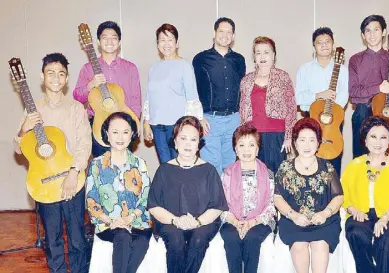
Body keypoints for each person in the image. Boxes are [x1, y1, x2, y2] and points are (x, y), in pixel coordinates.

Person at [13, 53, 92, 273]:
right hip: (45, 185)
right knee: (53, 238)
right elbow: (18, 148)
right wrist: (24, 128)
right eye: (50, 73)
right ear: (42, 77)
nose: (56, 78)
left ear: (66, 79)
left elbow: (84, 144)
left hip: (73, 180)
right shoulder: (32, 109)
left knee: (77, 238)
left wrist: (74, 172)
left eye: (61, 74)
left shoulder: (76, 108)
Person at [147, 116, 229, 273]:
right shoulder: (164, 170)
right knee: (176, 239)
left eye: (193, 139)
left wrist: (197, 222)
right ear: (175, 142)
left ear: (199, 143)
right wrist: (175, 220)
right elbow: (154, 206)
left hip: (203, 223)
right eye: (183, 138)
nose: (187, 144)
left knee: (198, 238)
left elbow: (217, 206)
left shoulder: (209, 170)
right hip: (170, 222)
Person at [342, 116, 389, 273]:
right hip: (361, 214)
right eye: (373, 137)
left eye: (383, 137)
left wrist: (385, 218)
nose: (378, 142)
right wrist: (353, 210)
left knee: (385, 237)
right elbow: (343, 194)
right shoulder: (354, 165)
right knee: (355, 233)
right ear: (365, 140)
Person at [274, 118, 343, 273]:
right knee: (299, 246)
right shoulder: (285, 167)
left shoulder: (327, 166)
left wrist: (325, 213)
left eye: (312, 140)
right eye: (302, 140)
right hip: (294, 222)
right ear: (295, 143)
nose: (307, 145)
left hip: (324, 222)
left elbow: (338, 196)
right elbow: (277, 197)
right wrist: (293, 215)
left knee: (320, 246)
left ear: (318, 143)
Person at [86, 112, 151, 273]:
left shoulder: (140, 164)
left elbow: (145, 198)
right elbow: (91, 200)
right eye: (115, 132)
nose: (120, 137)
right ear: (107, 134)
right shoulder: (97, 165)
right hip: (107, 224)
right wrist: (110, 221)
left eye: (125, 132)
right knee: (122, 235)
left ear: (132, 135)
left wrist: (130, 217)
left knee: (142, 241)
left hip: (136, 221)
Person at [74, 20, 142, 157]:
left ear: (119, 42)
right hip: (98, 124)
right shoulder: (87, 69)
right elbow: (77, 96)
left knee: (124, 169)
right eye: (105, 38)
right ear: (98, 42)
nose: (109, 41)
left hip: (125, 124)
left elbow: (136, 100)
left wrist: (133, 122)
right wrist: (90, 85)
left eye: (114, 38)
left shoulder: (130, 68)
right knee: (101, 169)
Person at [193, 17, 246, 175]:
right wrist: (199, 117)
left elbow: (242, 89)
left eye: (229, 32)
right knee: (211, 166)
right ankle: (213, 200)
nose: (225, 35)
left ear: (233, 36)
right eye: (221, 31)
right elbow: (193, 90)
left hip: (233, 119)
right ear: (214, 33)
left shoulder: (239, 60)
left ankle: (228, 200)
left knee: (231, 166)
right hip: (210, 120)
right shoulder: (200, 59)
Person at [220, 124, 276, 273]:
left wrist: (252, 222)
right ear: (235, 149)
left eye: (251, 145)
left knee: (252, 238)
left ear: (257, 149)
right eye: (241, 145)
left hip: (260, 220)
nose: (246, 150)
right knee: (231, 237)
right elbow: (221, 205)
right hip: (232, 220)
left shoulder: (268, 174)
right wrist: (235, 222)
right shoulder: (227, 174)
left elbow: (271, 206)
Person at [143, 23, 202, 163]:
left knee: (180, 163)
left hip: (177, 126)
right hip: (156, 126)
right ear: (157, 44)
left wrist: (195, 125)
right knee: (165, 165)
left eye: (170, 39)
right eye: (162, 40)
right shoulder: (154, 68)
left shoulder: (184, 66)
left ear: (177, 43)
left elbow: (192, 97)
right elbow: (148, 98)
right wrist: (146, 123)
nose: (166, 44)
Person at [349, 15, 389, 159]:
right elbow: (353, 92)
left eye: (376, 29)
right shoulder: (355, 60)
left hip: (388, 112)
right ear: (363, 35)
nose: (372, 34)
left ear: (384, 32)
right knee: (361, 111)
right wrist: (379, 88)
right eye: (367, 31)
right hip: (364, 112)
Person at [295, 26, 349, 176]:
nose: (324, 45)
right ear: (314, 46)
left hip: (334, 120)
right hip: (311, 120)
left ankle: (334, 197)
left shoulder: (343, 70)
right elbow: (299, 98)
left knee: (333, 164)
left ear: (333, 44)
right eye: (320, 42)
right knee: (310, 162)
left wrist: (329, 110)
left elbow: (344, 96)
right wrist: (319, 95)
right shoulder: (304, 69)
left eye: (328, 41)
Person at [239, 36, 297, 173]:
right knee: (256, 175)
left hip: (277, 134)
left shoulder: (283, 77)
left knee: (277, 175)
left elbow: (291, 108)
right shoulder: (246, 80)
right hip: (253, 135)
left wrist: (289, 136)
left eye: (266, 52)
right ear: (254, 57)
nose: (262, 56)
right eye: (258, 52)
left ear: (273, 55)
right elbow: (242, 110)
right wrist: (243, 137)